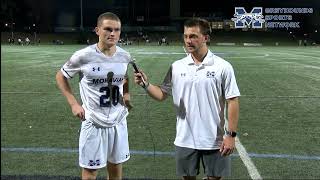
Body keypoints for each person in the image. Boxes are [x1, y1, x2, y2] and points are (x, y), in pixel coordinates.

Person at [134, 17, 240, 180]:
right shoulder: (176, 66)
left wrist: (231, 136)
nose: (188, 41)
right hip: (184, 139)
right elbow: (162, 94)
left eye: (193, 36)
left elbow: (232, 101)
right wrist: (146, 85)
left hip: (215, 140)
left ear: (206, 38)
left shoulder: (223, 67)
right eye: (185, 36)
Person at [56, 12, 133, 180]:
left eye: (117, 30)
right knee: (90, 173)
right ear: (97, 30)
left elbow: (124, 77)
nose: (112, 33)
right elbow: (61, 76)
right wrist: (74, 104)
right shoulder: (83, 56)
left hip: (118, 121)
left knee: (115, 170)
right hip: (93, 122)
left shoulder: (125, 56)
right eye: (108, 29)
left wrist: (126, 94)